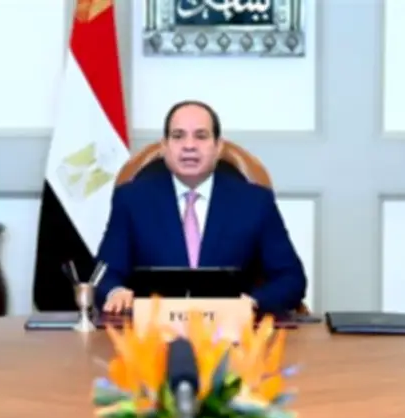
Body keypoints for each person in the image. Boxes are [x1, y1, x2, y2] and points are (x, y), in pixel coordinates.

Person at [95, 100, 307, 315]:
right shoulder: (132, 199)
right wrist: (115, 292)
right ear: (164, 147)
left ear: (218, 146)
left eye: (201, 136)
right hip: (152, 329)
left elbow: (291, 278)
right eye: (178, 136)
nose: (189, 145)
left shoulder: (255, 201)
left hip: (231, 328)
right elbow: (104, 274)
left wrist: (254, 303)